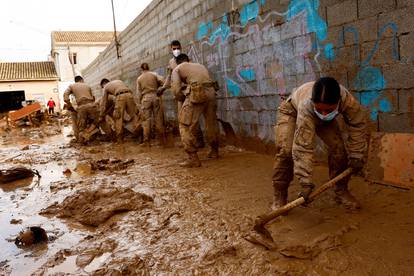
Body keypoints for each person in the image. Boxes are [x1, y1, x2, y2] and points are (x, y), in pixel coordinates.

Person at [271, 77, 367, 211]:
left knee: (338, 149)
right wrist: (305, 182)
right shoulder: (306, 105)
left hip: (324, 121)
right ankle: (280, 195)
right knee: (286, 152)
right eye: (320, 109)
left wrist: (357, 154)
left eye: (328, 110)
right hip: (291, 112)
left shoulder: (349, 102)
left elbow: (358, 125)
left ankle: (341, 191)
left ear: (338, 102)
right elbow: (303, 146)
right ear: (313, 102)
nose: (323, 114)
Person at [171, 54, 219, 167]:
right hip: (211, 92)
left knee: (184, 125)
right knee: (211, 124)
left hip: (197, 93)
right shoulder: (200, 65)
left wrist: (182, 98)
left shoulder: (177, 69)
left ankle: (193, 158)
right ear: (188, 60)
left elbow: (176, 90)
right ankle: (214, 151)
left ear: (178, 62)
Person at [158, 40, 205, 148]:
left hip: (188, 91)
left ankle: (198, 140)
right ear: (171, 50)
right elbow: (169, 77)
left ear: (181, 48)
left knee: (193, 118)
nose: (176, 50)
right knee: (183, 117)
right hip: (179, 93)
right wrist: (164, 88)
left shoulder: (186, 59)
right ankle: (189, 141)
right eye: (174, 49)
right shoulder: (171, 62)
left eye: (178, 48)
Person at [99, 78, 139, 143]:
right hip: (129, 95)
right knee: (134, 116)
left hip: (120, 96)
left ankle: (120, 139)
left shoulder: (106, 87)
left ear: (103, 84)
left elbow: (104, 103)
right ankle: (140, 134)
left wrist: (101, 115)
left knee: (118, 118)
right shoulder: (118, 81)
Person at [136, 62, 165, 146]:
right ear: (149, 67)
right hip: (155, 96)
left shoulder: (139, 78)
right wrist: (159, 89)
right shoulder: (154, 74)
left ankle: (146, 142)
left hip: (145, 99)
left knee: (146, 120)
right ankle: (162, 141)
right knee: (158, 119)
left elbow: (138, 93)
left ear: (141, 69)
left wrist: (140, 103)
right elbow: (163, 82)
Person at [63, 76, 95, 141]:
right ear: (82, 80)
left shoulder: (72, 86)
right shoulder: (87, 86)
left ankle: (80, 140)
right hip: (91, 105)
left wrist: (69, 105)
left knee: (80, 126)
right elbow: (93, 97)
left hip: (81, 107)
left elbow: (65, 95)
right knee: (96, 121)